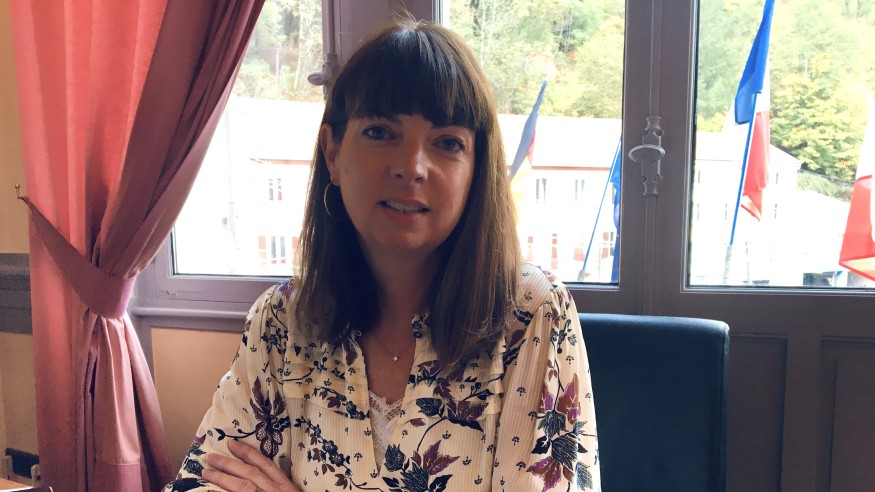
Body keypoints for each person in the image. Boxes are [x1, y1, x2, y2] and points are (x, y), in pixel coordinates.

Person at [165, 17, 600, 492]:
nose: (411, 167)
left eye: (447, 143)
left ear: (475, 170)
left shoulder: (529, 315)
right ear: (333, 153)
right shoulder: (282, 321)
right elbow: (203, 480)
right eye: (379, 132)